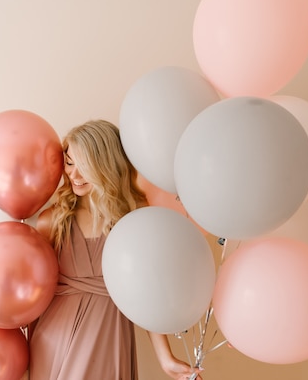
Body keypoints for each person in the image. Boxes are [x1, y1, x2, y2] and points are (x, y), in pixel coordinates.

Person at [28, 120, 202, 380]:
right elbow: (32, 293)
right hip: (54, 338)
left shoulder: (133, 219)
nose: (73, 175)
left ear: (105, 167)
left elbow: (146, 294)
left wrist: (165, 358)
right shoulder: (52, 220)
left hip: (110, 333)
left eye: (83, 166)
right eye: (70, 162)